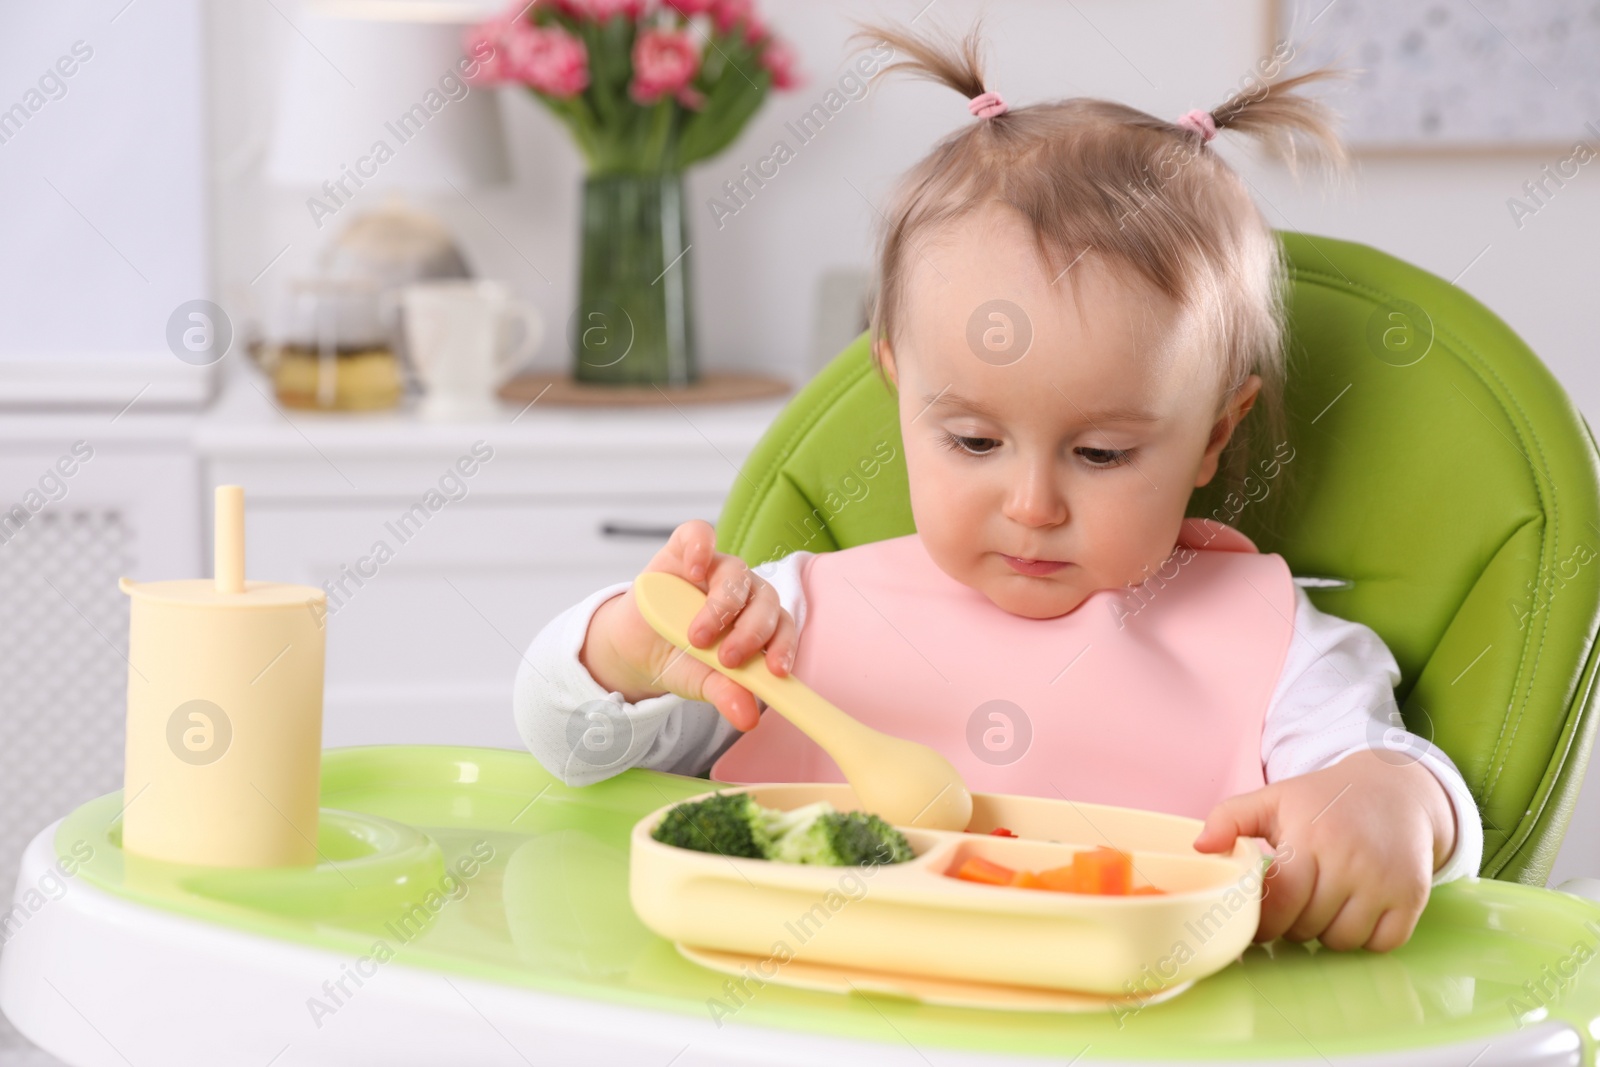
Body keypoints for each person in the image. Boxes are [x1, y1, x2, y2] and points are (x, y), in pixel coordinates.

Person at [514, 17, 1483, 953]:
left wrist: (1392, 804)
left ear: (1211, 438)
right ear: (897, 389)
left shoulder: (1272, 653)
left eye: (1100, 454)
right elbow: (571, 747)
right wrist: (622, 652)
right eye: (974, 439)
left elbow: (1410, 798)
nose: (1032, 504)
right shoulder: (790, 622)